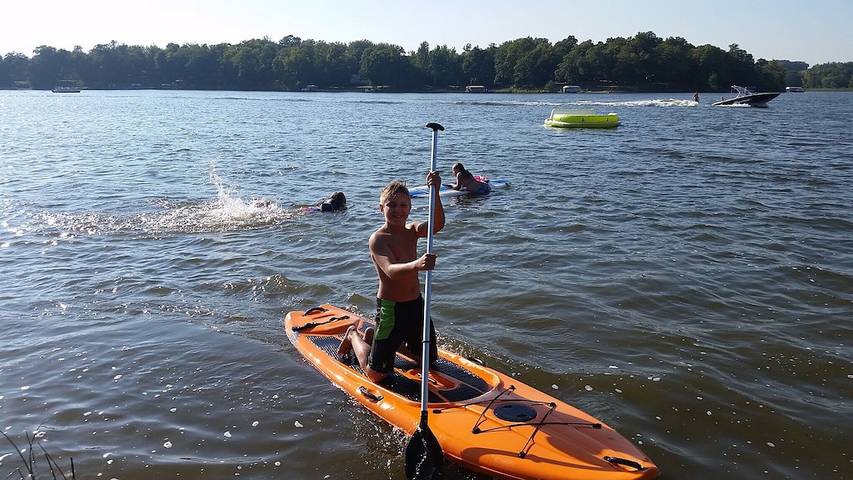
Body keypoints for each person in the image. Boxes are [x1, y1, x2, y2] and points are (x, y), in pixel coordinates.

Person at [338, 171, 445, 383]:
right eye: (392, 205)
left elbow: (437, 224)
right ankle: (354, 335)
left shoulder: (412, 230)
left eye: (403, 205)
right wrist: (417, 264)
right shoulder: (378, 239)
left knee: (428, 362)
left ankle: (387, 342)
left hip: (416, 305)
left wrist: (436, 191)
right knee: (376, 374)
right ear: (381, 208)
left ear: (410, 208)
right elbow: (390, 270)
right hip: (391, 308)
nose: (398, 210)